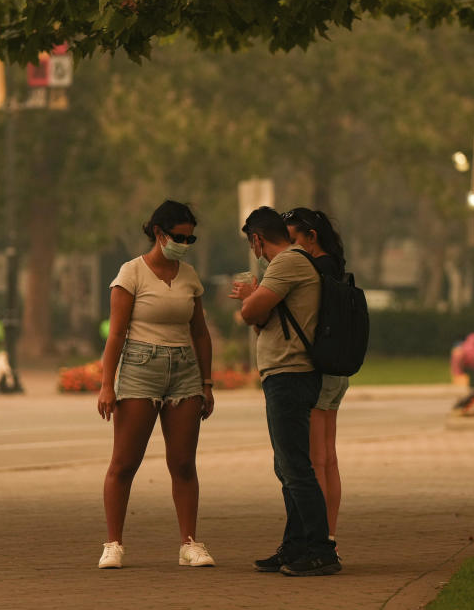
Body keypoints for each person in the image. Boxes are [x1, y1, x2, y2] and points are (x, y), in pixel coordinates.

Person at [96, 200, 216, 569]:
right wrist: (107, 385)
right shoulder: (131, 273)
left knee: (183, 463)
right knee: (125, 462)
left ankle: (189, 543)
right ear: (160, 234)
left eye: (190, 238)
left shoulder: (189, 277)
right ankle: (113, 543)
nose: (184, 243)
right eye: (179, 237)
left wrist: (207, 383)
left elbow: (200, 332)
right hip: (139, 368)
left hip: (184, 371)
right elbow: (116, 334)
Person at [229, 206, 341, 577]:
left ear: (258, 239)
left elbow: (251, 313)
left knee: (296, 467)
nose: (254, 250)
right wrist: (256, 305)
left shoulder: (287, 263)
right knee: (287, 466)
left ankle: (321, 549)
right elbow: (264, 317)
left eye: (253, 243)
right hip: (283, 374)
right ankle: (294, 546)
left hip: (290, 375)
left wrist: (251, 301)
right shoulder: (290, 264)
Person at [282, 207, 348, 550]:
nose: (290, 247)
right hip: (338, 369)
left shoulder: (312, 270)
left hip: (319, 370)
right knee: (329, 457)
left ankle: (318, 541)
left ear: (312, 237)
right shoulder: (336, 267)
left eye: (293, 239)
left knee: (315, 459)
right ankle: (330, 533)